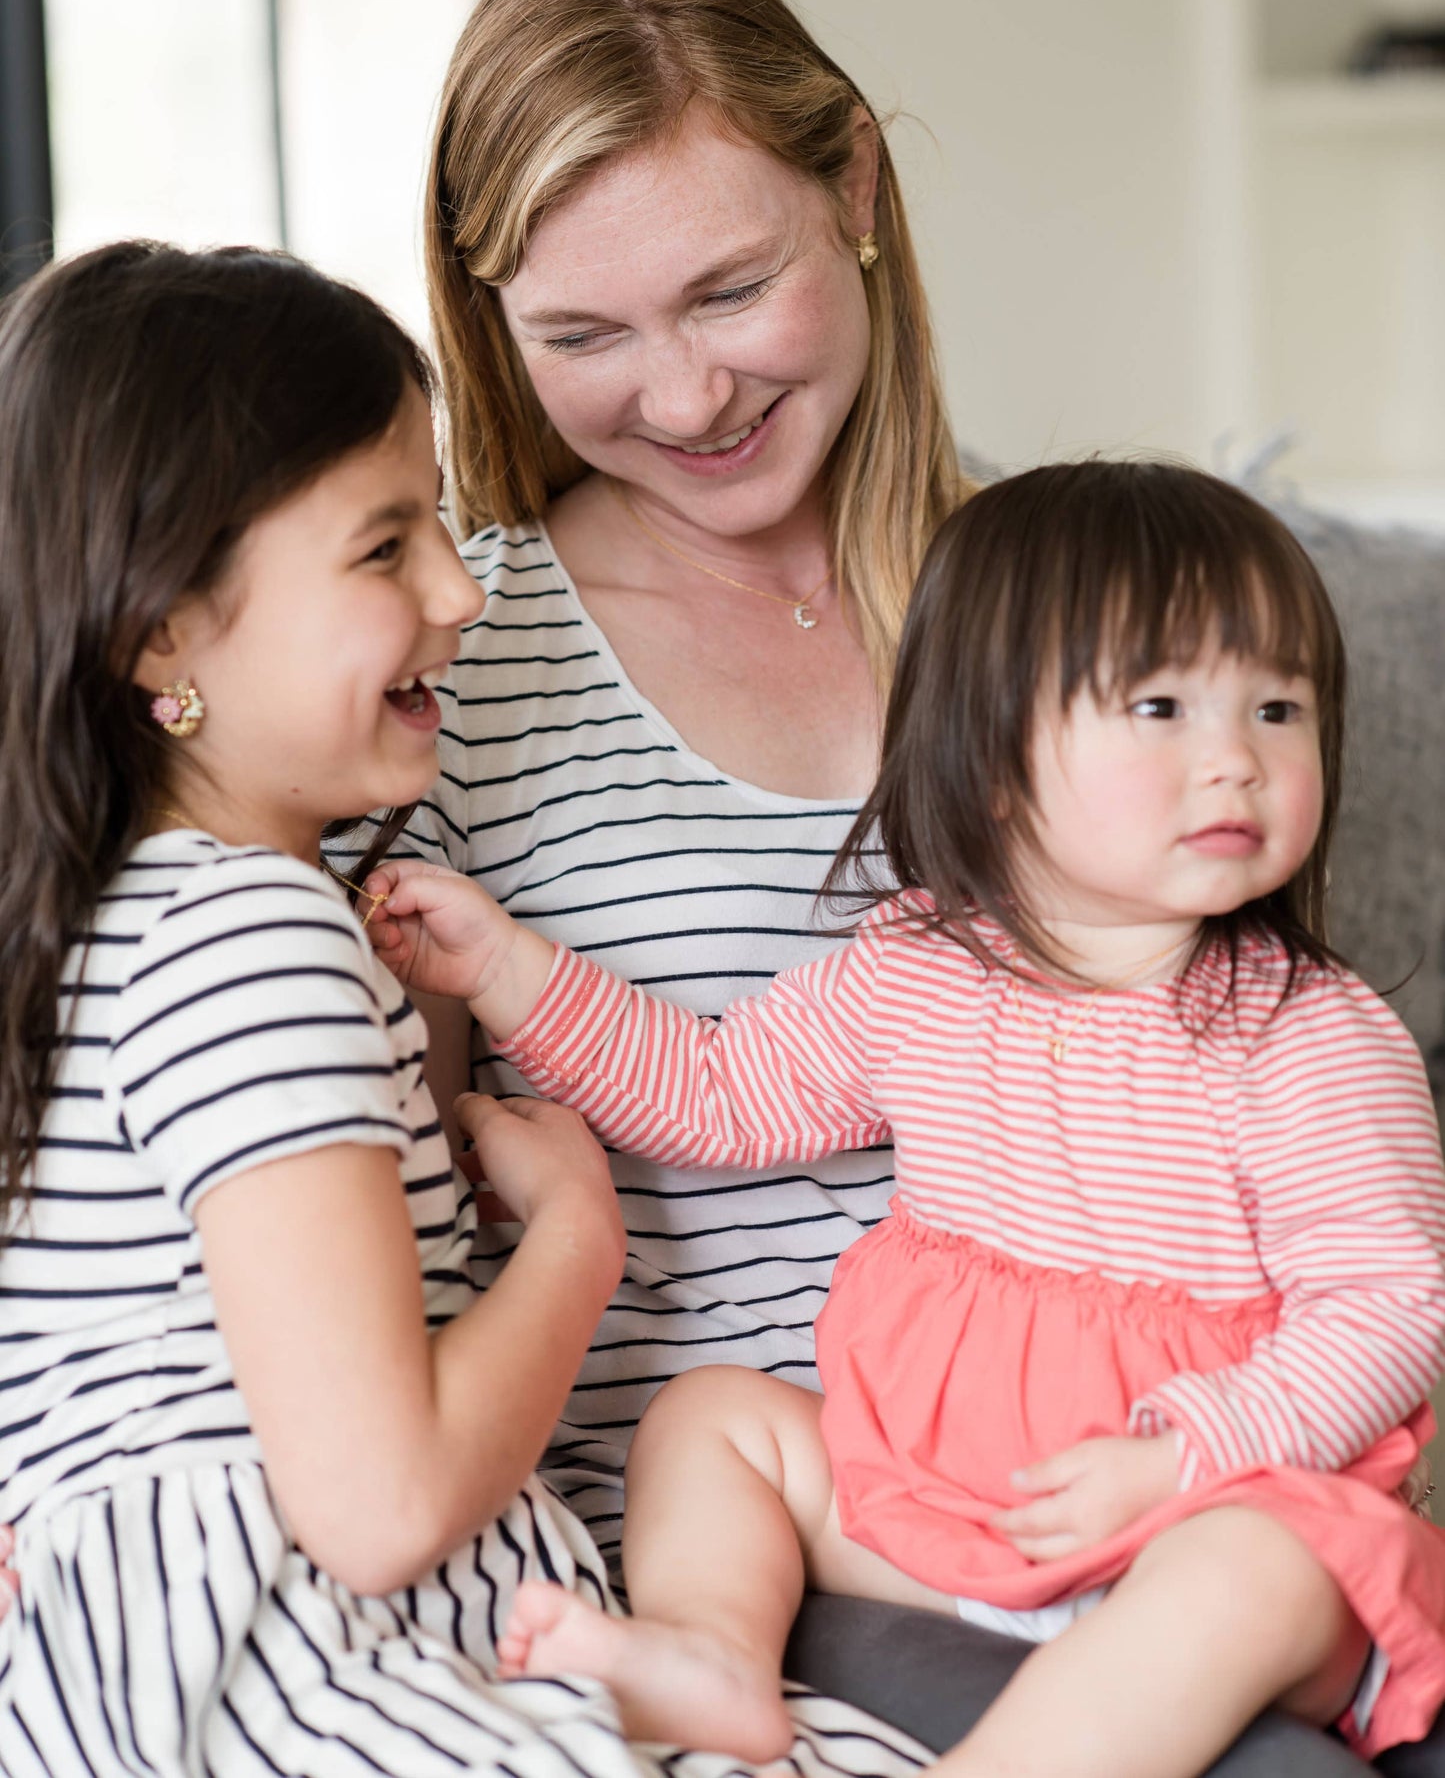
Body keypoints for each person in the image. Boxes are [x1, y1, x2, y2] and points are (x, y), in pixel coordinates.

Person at [363, 460, 1445, 1776]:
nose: (1235, 757)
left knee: (1255, 1572)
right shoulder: (913, 969)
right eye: (1159, 704)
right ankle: (708, 1650)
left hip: (1194, 1514)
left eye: (1276, 705)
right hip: (936, 1514)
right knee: (711, 1419)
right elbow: (715, 1094)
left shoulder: (1306, 1032)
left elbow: (1387, 1305)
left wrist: (1186, 1456)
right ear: (986, 757)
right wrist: (507, 972)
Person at [0, 240, 924, 1778]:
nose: (456, 589)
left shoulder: (100, 927)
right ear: (160, 631)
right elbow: (380, 1504)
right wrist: (578, 1238)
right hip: (305, 1669)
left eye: (438, 518)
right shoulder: (249, 932)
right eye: (383, 549)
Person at [388, 0, 962, 1579]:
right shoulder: (445, 661)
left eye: (728, 290)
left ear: (852, 187)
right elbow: (380, 1259)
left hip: (1095, 1492)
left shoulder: (1069, 607)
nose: (687, 397)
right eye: (582, 335)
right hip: (696, 1562)